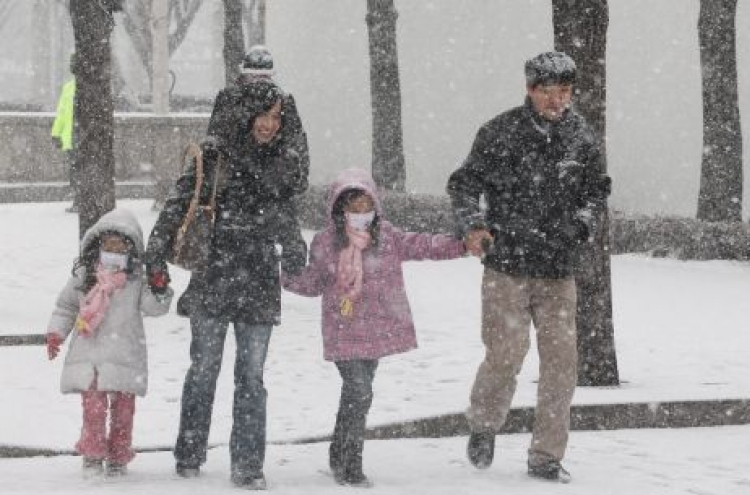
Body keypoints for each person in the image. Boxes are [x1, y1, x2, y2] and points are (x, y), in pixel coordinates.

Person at [446, 51, 612, 483]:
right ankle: (484, 423)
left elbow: (596, 192)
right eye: (549, 92)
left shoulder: (582, 137)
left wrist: (582, 223)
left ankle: (546, 456)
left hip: (558, 271)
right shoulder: (500, 132)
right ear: (530, 89)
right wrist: (474, 225)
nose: (559, 101)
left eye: (566, 92)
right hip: (507, 267)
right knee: (506, 353)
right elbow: (464, 184)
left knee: (561, 364)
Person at [144, 78, 308, 490]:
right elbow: (182, 199)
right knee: (204, 368)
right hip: (215, 273)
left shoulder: (281, 164)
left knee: (251, 376)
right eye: (263, 115)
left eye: (276, 117)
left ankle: (248, 465)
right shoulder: (216, 156)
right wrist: (156, 249)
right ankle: (189, 452)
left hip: (257, 277)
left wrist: (292, 246)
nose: (269, 124)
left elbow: (283, 214)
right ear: (245, 114)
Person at [282, 168, 466, 487]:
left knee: (358, 395)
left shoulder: (388, 237)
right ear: (340, 209)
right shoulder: (327, 242)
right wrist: (285, 275)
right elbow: (315, 281)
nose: (360, 214)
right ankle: (350, 465)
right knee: (359, 391)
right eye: (353, 207)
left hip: (376, 332)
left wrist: (461, 246)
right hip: (343, 330)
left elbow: (424, 245)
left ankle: (339, 453)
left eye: (366, 206)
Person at [45, 208, 173, 477]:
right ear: (97, 244)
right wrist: (57, 333)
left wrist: (159, 287)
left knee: (124, 412)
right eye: (108, 243)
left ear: (131, 248)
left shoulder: (137, 281)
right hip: (90, 354)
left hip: (125, 353)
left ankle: (118, 455)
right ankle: (92, 454)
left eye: (120, 244)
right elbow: (66, 307)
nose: (114, 248)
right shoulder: (84, 276)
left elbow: (154, 308)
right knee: (93, 408)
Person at [51, 53, 78, 213]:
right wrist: (56, 133)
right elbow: (61, 114)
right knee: (74, 173)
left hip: (81, 138)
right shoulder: (68, 87)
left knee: (80, 172)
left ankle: (81, 200)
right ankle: (78, 199)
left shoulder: (86, 88)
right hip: (71, 139)